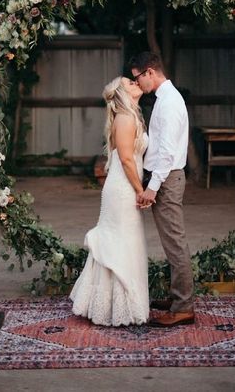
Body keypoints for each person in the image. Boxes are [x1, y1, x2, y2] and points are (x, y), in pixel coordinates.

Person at [70, 76, 150, 326]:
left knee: (126, 241)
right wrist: (140, 190)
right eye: (129, 83)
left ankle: (119, 305)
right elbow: (127, 160)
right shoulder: (125, 118)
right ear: (122, 94)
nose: (135, 82)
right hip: (123, 189)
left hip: (124, 186)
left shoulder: (131, 116)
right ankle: (114, 306)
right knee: (121, 242)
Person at [130, 52, 195, 328]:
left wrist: (153, 188)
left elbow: (167, 153)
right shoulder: (164, 99)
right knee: (172, 243)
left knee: (175, 243)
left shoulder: (169, 103)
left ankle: (183, 307)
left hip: (167, 181)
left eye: (137, 77)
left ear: (149, 73)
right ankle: (177, 298)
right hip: (164, 178)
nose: (137, 83)